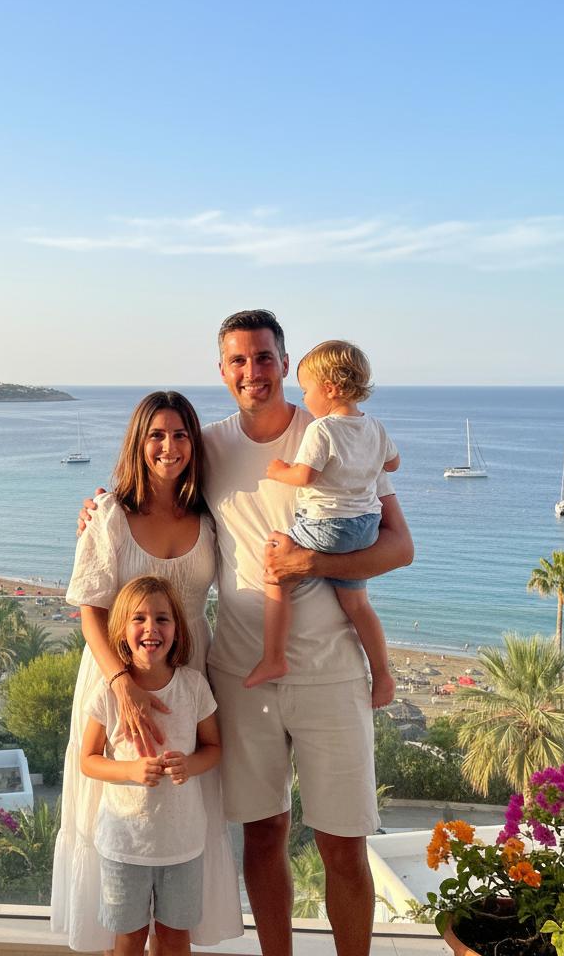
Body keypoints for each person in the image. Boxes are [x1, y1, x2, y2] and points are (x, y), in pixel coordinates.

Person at [78, 311, 414, 956]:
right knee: (263, 833)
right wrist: (97, 509)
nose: (252, 372)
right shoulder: (209, 446)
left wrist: (309, 563)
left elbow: (400, 547)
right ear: (222, 370)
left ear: (285, 363)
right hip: (237, 674)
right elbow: (154, 485)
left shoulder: (336, 433)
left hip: (331, 671)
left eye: (263, 358)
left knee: (344, 844)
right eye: (238, 360)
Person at [50, 391, 243, 954]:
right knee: (117, 812)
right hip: (115, 675)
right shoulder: (110, 514)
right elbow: (90, 610)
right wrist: (121, 686)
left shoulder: (209, 516)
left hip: (190, 678)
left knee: (182, 805)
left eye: (180, 435)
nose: (168, 446)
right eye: (156, 435)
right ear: (138, 442)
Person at [243, 339, 400, 706]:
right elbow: (393, 464)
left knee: (276, 563)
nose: (304, 398)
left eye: (306, 390)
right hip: (365, 527)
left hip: (328, 526)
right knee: (358, 606)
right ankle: (382, 675)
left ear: (329, 388)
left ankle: (274, 657)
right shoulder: (375, 427)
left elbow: (305, 476)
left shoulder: (322, 429)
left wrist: (279, 470)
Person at [80, 575, 223, 956]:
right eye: (139, 618)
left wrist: (189, 765)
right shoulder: (109, 693)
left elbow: (214, 748)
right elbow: (88, 760)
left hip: (182, 844)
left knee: (175, 938)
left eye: (162, 618)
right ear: (121, 629)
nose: (151, 628)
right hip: (124, 846)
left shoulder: (193, 687)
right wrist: (129, 771)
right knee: (128, 939)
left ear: (177, 628)